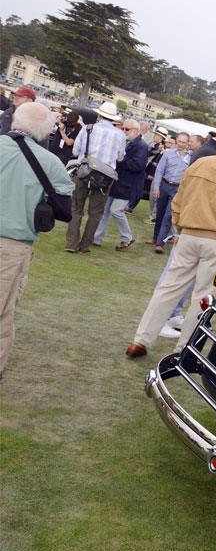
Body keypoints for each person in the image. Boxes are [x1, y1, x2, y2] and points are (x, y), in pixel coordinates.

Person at [126, 127, 216, 358]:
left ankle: (141, 340)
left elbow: (178, 201)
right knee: (206, 295)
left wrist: (182, 227)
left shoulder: (200, 165)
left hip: (189, 236)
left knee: (169, 288)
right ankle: (185, 348)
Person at [0, 102, 75, 376]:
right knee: (3, 309)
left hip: (12, 242)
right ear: (46, 132)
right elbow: (65, 207)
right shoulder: (51, 162)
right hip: (13, 244)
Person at [64, 101, 126, 253]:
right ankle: (84, 246)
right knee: (95, 213)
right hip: (105, 175)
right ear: (113, 118)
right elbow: (120, 157)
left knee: (77, 207)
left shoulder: (87, 128)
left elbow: (76, 151)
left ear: (99, 115)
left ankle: (72, 243)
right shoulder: (120, 135)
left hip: (85, 169)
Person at [92, 119, 149, 249]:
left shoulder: (141, 146)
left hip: (127, 185)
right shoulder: (128, 143)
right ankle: (97, 238)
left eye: (126, 129)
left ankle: (127, 236)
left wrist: (120, 160)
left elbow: (138, 165)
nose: (123, 131)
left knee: (115, 211)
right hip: (117, 182)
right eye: (122, 128)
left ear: (135, 130)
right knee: (105, 210)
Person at [150, 132, 190, 253]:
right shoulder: (168, 153)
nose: (181, 144)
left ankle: (160, 243)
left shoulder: (191, 157)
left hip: (177, 188)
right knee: (160, 213)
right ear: (176, 140)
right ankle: (155, 237)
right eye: (179, 141)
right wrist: (156, 187)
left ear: (187, 143)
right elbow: (159, 171)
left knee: (168, 215)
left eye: (184, 142)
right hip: (164, 185)